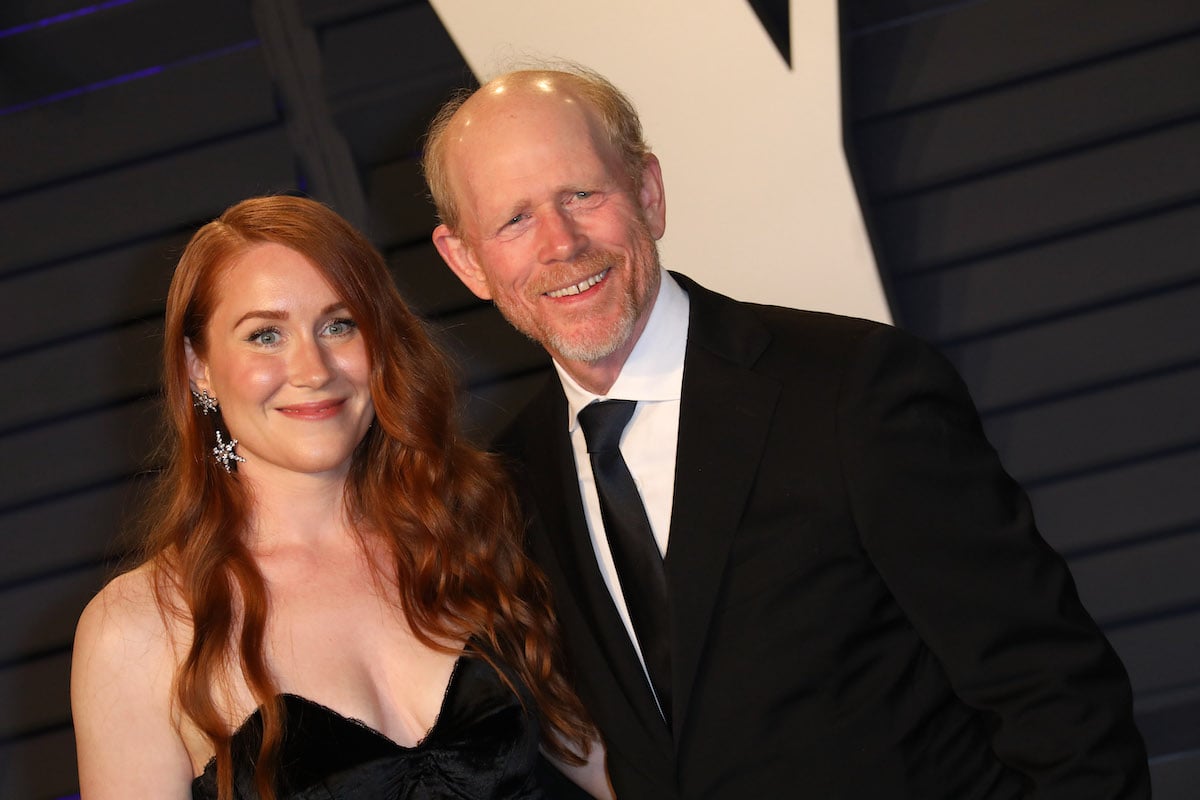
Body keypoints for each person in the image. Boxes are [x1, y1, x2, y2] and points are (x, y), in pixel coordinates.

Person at [423, 65, 1152, 798]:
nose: (561, 243)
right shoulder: (508, 482)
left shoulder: (851, 390)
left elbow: (1057, 700)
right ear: (466, 262)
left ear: (649, 192)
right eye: (514, 219)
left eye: (582, 194)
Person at [70, 195, 612, 799]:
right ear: (198, 367)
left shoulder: (477, 524)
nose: (313, 367)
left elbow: (609, 767)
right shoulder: (139, 629)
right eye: (265, 334)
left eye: (338, 325)